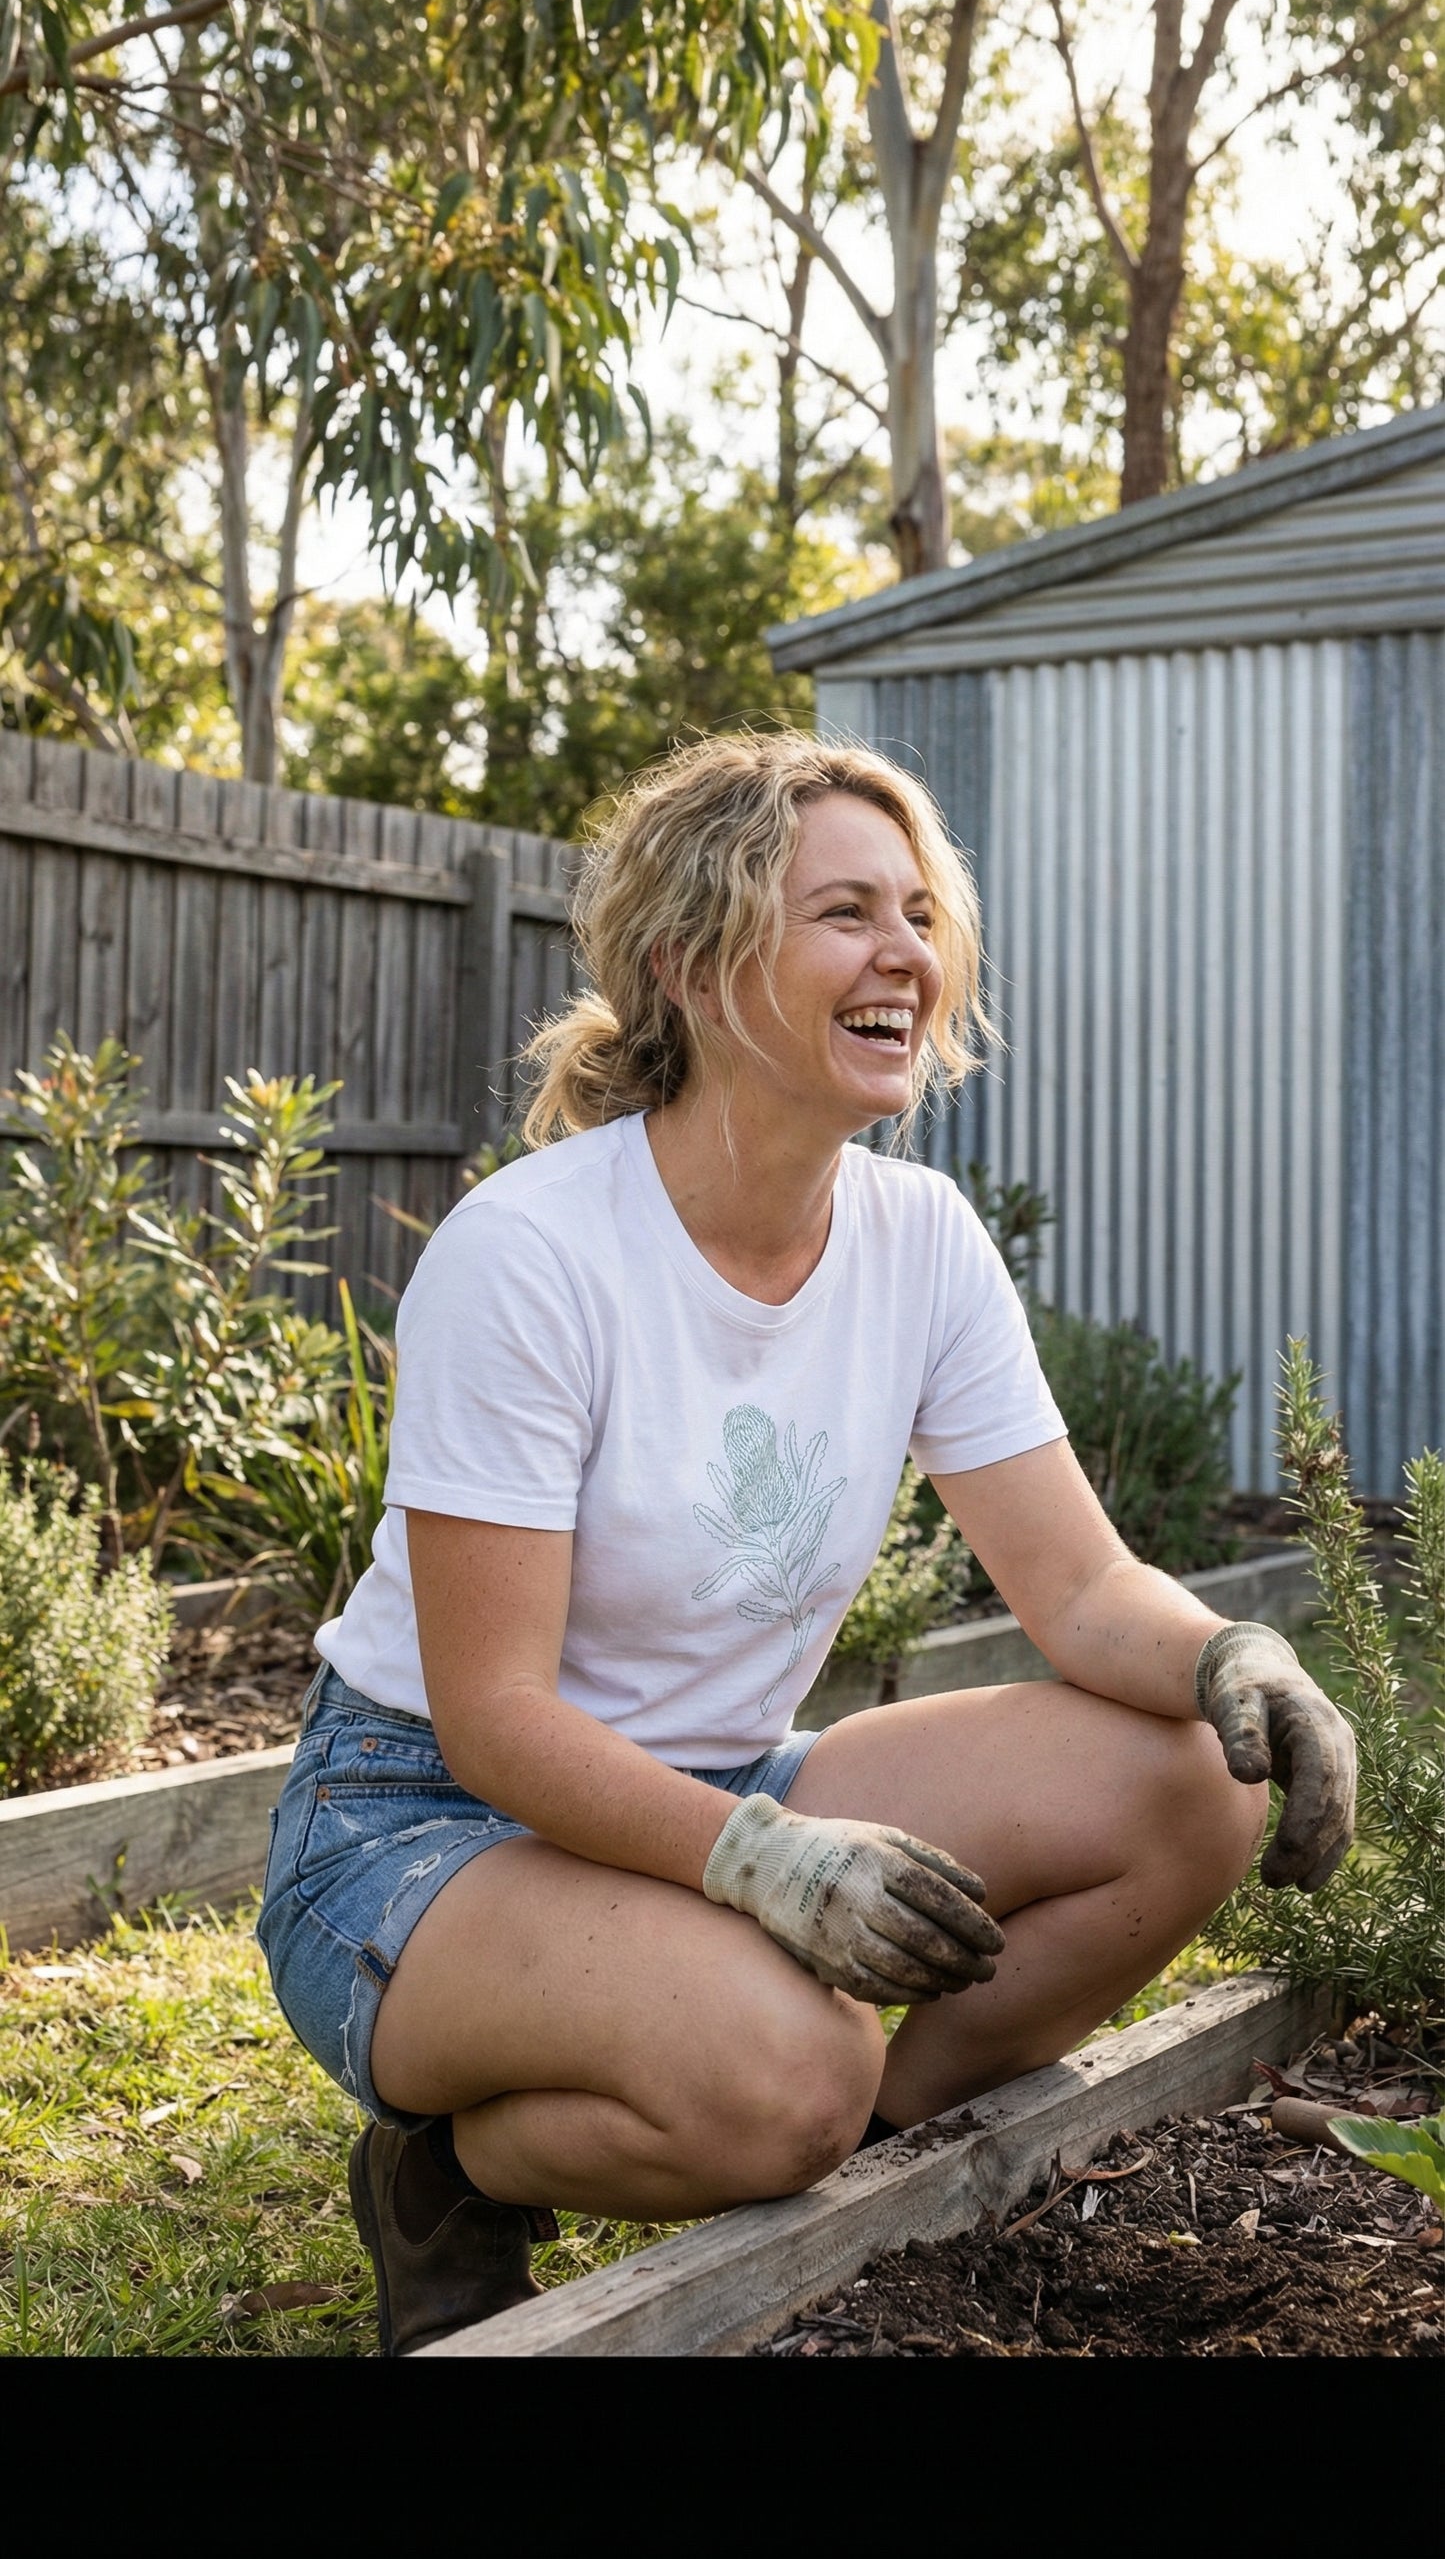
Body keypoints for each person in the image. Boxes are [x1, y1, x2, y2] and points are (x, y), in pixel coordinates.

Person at [257, 731, 1356, 2356]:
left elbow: (1070, 1585)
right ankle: (457, 2172)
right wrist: (767, 1867)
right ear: (694, 964)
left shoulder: (918, 1239)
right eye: (845, 912)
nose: (906, 953)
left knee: (1195, 1775)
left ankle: (830, 2138)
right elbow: (490, 1712)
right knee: (784, 2071)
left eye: (918, 913)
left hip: (717, 1780)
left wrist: (1228, 1652)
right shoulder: (534, 1253)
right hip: (426, 1819)